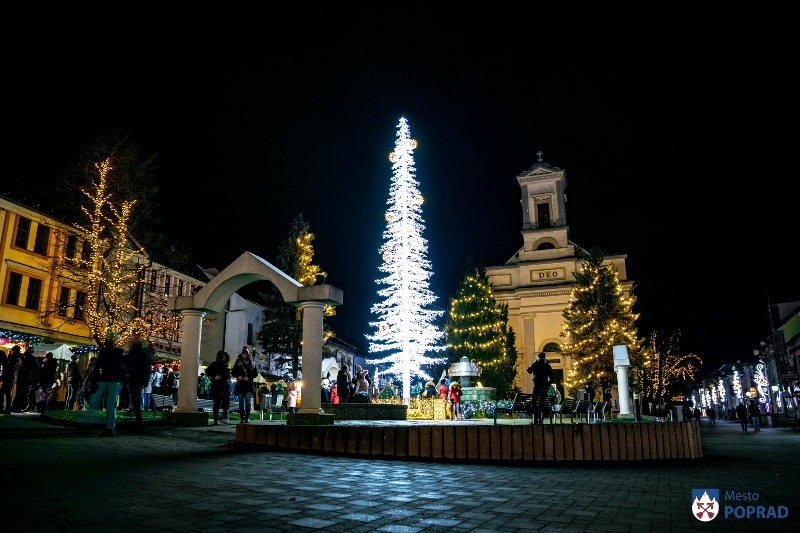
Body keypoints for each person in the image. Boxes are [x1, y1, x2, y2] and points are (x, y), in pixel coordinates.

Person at [89, 337, 125, 437]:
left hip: (106, 379)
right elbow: (122, 366)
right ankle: (110, 427)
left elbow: (98, 366)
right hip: (113, 379)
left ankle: (92, 420)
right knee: (110, 404)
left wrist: (95, 379)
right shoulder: (119, 352)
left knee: (98, 400)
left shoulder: (104, 352)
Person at [126, 338, 153, 433]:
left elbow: (145, 367)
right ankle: (139, 422)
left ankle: (140, 423)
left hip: (136, 378)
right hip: (136, 378)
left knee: (136, 400)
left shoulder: (138, 353)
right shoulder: (140, 353)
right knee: (135, 400)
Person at [231, 346, 257, 423]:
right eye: (243, 354)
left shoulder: (251, 363)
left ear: (247, 354)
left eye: (245, 354)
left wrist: (249, 377)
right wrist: (238, 376)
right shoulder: (238, 362)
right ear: (241, 354)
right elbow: (233, 372)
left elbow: (255, 373)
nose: (244, 355)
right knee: (241, 401)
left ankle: (247, 417)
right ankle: (242, 417)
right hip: (240, 385)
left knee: (248, 401)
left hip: (248, 384)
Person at [206, 350, 231, 425]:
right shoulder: (215, 364)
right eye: (222, 357)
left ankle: (224, 416)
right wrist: (214, 376)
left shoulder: (225, 366)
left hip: (224, 385)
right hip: (217, 385)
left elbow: (227, 375)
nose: (223, 359)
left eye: (225, 358)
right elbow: (207, 371)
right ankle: (216, 419)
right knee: (217, 402)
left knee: (226, 401)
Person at [12, 347, 39, 412]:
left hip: (20, 376)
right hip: (27, 378)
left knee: (18, 393)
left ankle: (14, 406)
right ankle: (19, 407)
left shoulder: (22, 357)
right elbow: (37, 366)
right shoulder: (32, 359)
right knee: (23, 393)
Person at [1, 346, 22, 414]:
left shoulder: (14, 358)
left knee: (4, 393)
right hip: (12, 378)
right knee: (7, 393)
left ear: (14, 351)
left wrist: (4, 376)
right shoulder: (19, 358)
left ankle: (6, 408)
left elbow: (10, 369)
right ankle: (7, 408)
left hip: (9, 378)